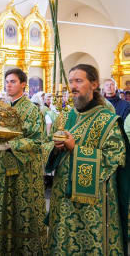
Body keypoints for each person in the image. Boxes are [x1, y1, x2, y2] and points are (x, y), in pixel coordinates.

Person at [45, 64, 129, 255]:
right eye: (71, 81)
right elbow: (47, 144)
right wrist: (55, 149)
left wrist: (76, 149)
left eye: (79, 81)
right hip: (62, 202)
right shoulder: (64, 117)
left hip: (94, 207)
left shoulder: (107, 120)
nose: (73, 86)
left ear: (94, 84)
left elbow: (114, 158)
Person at [0, 68, 47, 255]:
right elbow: (0, 139)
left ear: (23, 84)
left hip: (25, 172)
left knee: (23, 213)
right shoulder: (5, 109)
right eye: (7, 81)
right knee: (6, 212)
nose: (8, 85)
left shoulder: (31, 109)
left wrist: (10, 144)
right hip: (5, 168)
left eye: (13, 81)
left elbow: (38, 141)